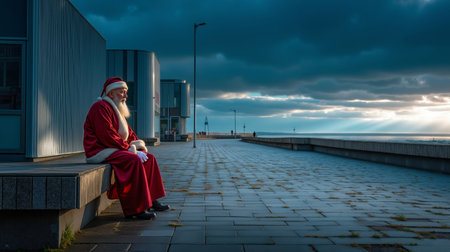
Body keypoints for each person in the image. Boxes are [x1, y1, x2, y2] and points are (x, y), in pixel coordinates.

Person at [83, 77, 169, 220]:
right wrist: (129, 149)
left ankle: (151, 200)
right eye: (122, 92)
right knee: (133, 160)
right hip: (99, 150)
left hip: (112, 148)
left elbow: (129, 134)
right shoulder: (100, 107)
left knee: (149, 158)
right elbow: (107, 135)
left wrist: (138, 146)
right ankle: (135, 209)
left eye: (126, 92)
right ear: (111, 93)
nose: (126, 96)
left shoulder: (116, 109)